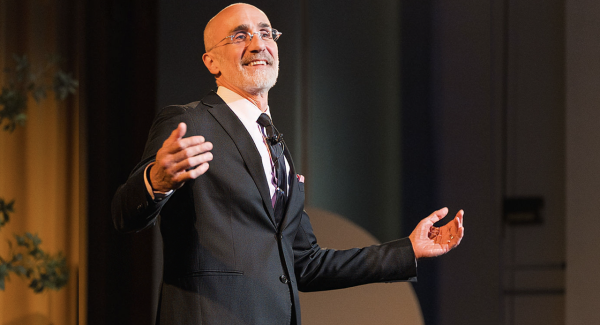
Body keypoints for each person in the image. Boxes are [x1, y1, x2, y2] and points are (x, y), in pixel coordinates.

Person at [112, 3, 464, 325]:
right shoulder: (191, 121)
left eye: (265, 33)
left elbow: (306, 264)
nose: (257, 44)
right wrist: (155, 182)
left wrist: (408, 249)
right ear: (211, 62)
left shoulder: (275, 145)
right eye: (239, 36)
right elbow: (124, 213)